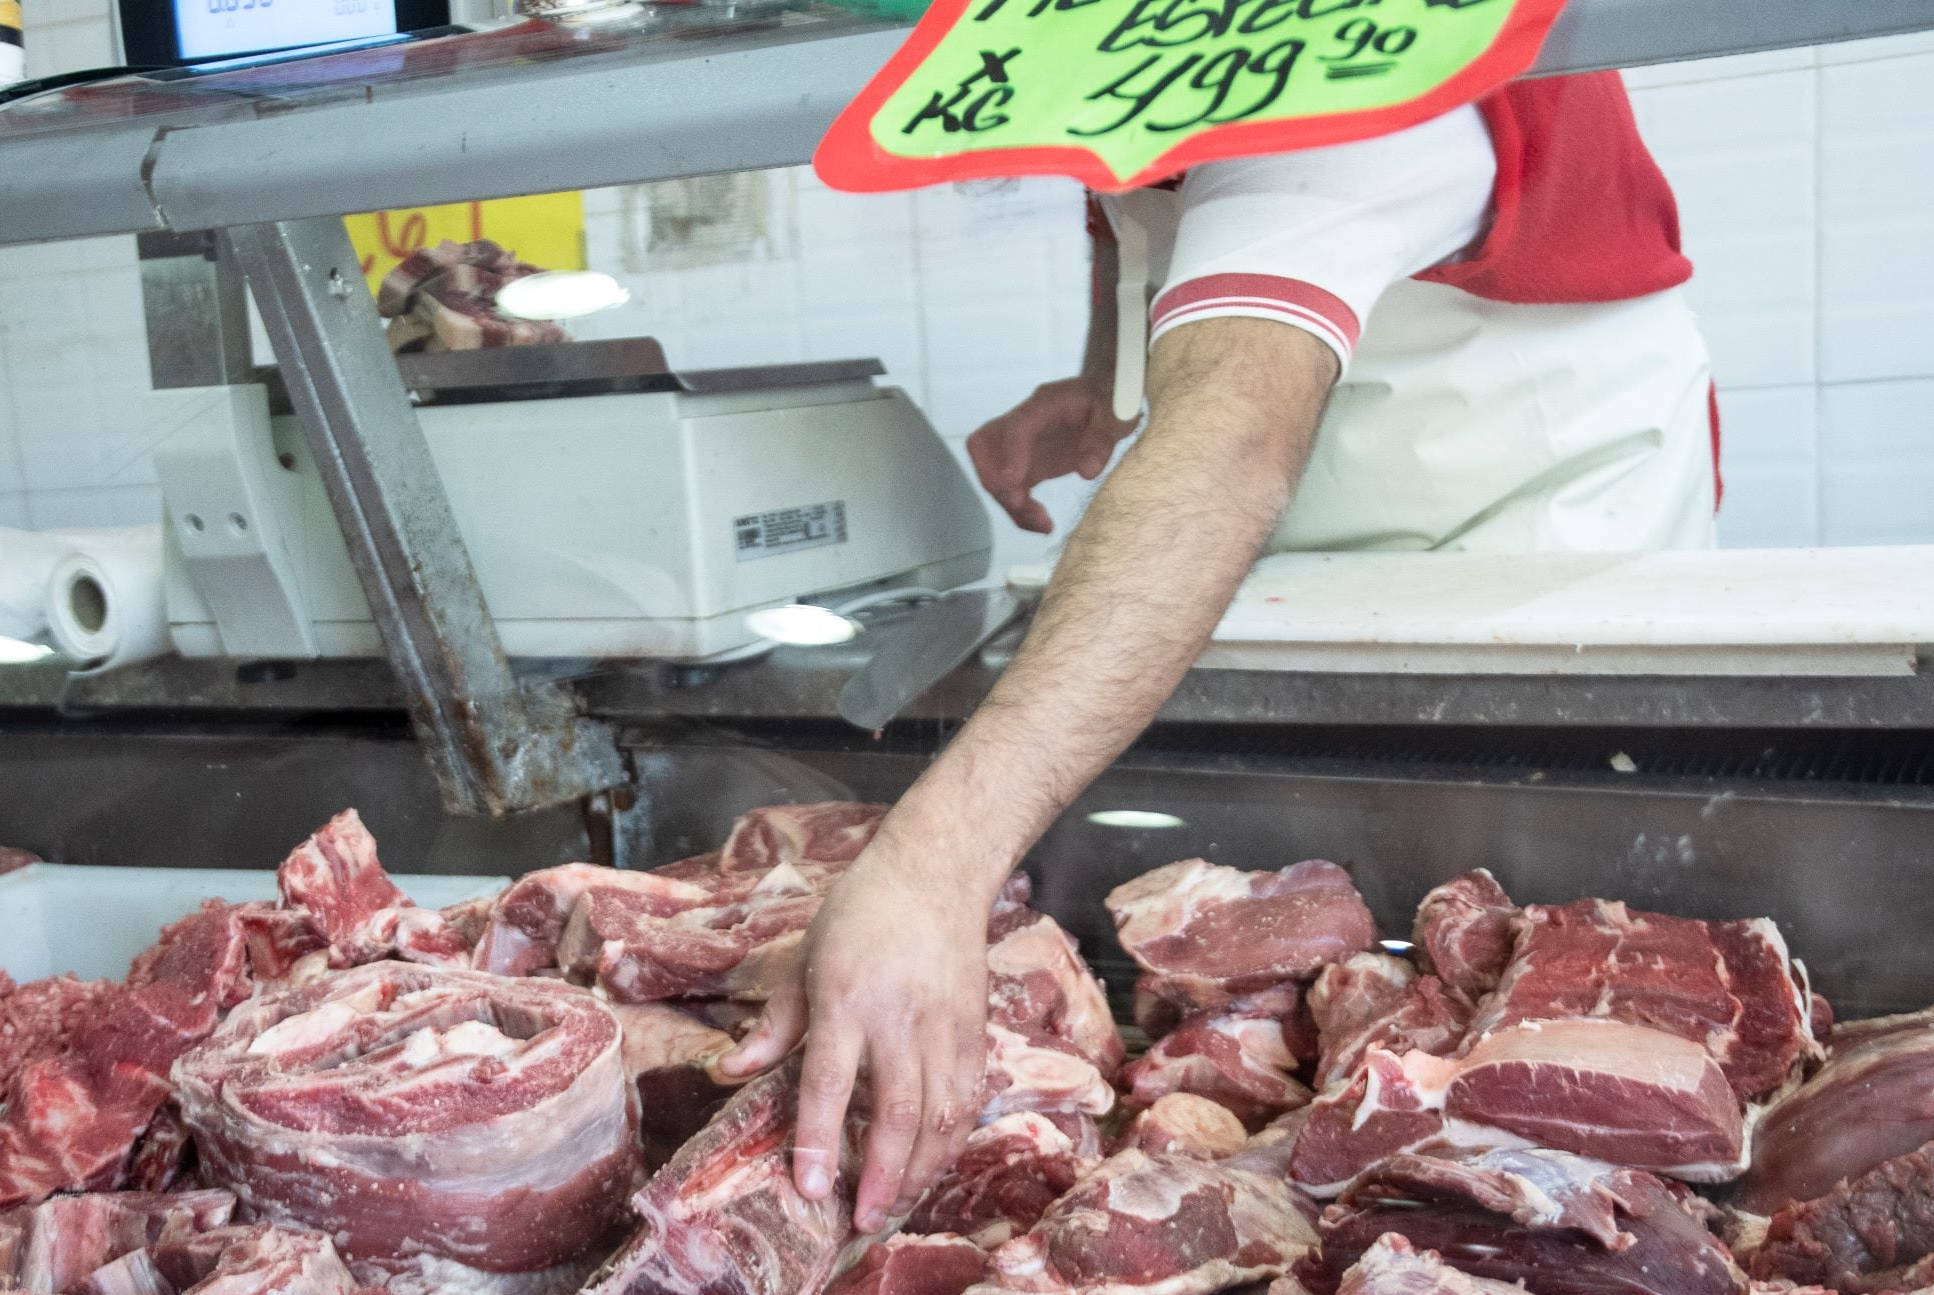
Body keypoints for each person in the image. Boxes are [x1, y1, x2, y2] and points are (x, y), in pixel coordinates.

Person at [724, 71, 1715, 1231]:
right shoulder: (1152, 47)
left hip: (1527, 492)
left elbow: (1235, 440)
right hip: (1308, 459)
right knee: (1316, 925)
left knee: (1536, 947)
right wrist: (1109, 384)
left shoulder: (1348, 67)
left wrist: (933, 869)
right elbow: (1144, 193)